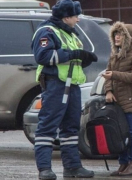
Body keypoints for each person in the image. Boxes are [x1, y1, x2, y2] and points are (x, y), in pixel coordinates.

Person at [31, 0, 97, 179]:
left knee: (71, 129)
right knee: (47, 127)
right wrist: (74, 54)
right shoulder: (47, 31)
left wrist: (83, 59)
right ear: (66, 17)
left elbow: (71, 60)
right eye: (76, 16)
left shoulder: (69, 34)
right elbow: (43, 56)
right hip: (56, 85)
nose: (78, 19)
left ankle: (73, 167)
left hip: (71, 85)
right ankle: (44, 169)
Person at [102, 21, 132, 176]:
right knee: (120, 133)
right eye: (115, 33)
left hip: (131, 100)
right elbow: (108, 74)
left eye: (120, 34)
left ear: (129, 38)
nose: (117, 37)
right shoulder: (115, 54)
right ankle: (123, 163)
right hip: (117, 101)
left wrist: (114, 75)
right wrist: (108, 91)